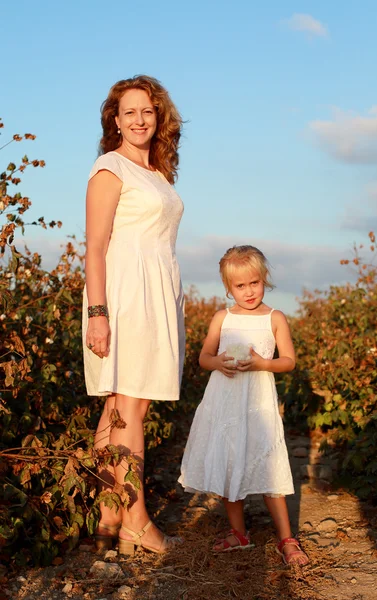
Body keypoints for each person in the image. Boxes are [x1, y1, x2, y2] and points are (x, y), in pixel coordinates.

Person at [82, 75, 185, 555]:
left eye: (147, 110)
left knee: (118, 407)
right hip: (124, 293)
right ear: (116, 120)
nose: (139, 119)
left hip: (156, 292)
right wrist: (98, 313)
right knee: (131, 406)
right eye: (129, 112)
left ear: (158, 115)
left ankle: (107, 515)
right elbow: (96, 248)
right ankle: (136, 520)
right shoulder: (110, 167)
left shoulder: (158, 173)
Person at [179, 245, 309, 565]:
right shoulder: (222, 318)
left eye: (254, 283)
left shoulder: (274, 318)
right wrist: (219, 363)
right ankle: (239, 533)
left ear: (264, 279)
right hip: (225, 400)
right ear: (228, 287)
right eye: (240, 286)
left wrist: (264, 364)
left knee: (267, 460)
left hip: (258, 402)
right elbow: (203, 357)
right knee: (229, 460)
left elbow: (289, 361)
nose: (248, 291)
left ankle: (286, 537)